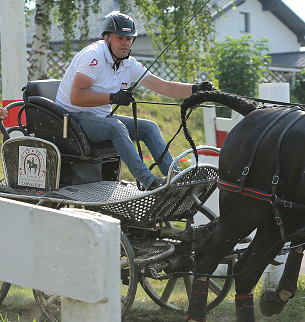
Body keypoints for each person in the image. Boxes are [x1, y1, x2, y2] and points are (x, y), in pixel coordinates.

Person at [54, 12, 213, 190]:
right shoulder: (93, 57)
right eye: (120, 38)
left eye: (129, 39)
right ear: (107, 38)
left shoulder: (129, 63)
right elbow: (76, 97)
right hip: (72, 119)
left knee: (149, 127)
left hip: (100, 118)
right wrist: (113, 97)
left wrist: (196, 89)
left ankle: (175, 180)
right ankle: (150, 182)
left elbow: (165, 87)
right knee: (116, 127)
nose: (125, 43)